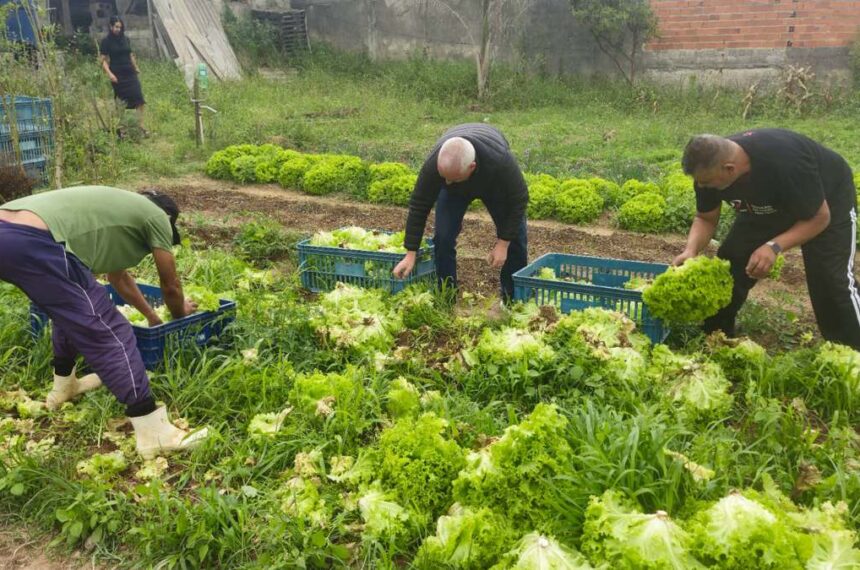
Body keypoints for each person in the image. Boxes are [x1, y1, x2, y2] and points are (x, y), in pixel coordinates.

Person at [0, 186, 208, 458]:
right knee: (110, 330)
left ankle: (64, 387)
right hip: (34, 241)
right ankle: (153, 430)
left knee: (72, 311)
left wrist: (153, 317)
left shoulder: (119, 213)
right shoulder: (158, 217)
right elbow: (170, 285)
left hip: (10, 232)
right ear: (168, 219)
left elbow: (118, 278)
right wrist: (180, 316)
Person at [674, 129, 860, 349]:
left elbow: (820, 218)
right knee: (732, 261)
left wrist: (774, 246)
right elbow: (705, 218)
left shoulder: (785, 161)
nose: (703, 187)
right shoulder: (706, 169)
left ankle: (852, 352)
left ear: (729, 169)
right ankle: (715, 335)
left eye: (707, 183)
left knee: (830, 280)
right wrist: (691, 250)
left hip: (826, 202)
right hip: (767, 206)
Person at [392, 123, 529, 301]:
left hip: (493, 185)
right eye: (444, 177)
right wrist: (411, 252)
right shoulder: (436, 165)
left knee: (515, 241)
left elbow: (519, 199)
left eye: (452, 178)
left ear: (471, 167)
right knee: (443, 238)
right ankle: (446, 295)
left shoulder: (500, 161)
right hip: (455, 190)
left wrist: (503, 244)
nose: (447, 182)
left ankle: (512, 299)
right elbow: (419, 205)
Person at [99, 16, 147, 136]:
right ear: (110, 27)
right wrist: (110, 74)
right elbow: (103, 61)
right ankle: (123, 129)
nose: (118, 29)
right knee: (121, 102)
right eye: (116, 27)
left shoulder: (125, 39)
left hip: (130, 73)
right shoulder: (106, 41)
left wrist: (136, 67)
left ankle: (140, 126)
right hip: (117, 75)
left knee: (139, 99)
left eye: (120, 27)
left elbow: (130, 55)